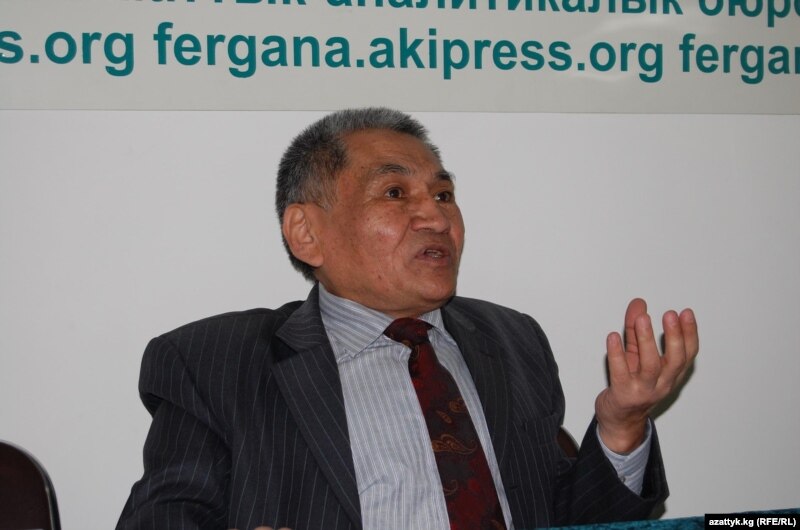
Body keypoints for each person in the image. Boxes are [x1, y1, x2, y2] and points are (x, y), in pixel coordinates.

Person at [117, 108, 698, 530]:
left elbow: (566, 520)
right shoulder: (216, 362)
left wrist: (622, 427)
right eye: (395, 193)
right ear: (306, 232)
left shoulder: (512, 339)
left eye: (443, 196)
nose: (436, 218)